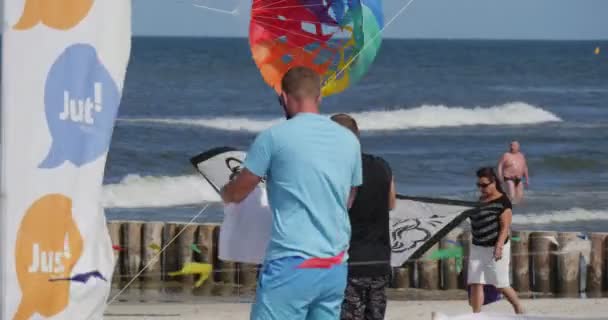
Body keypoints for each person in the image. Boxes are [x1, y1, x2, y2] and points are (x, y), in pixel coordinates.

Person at [220, 66, 362, 320]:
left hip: (292, 264)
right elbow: (349, 198)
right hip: (335, 265)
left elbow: (240, 191)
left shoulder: (274, 137)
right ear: (319, 98)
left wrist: (226, 192)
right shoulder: (349, 140)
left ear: (284, 98)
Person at [329, 114, 396, 320]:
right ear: (357, 135)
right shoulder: (381, 165)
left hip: (349, 260)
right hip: (379, 259)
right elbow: (391, 203)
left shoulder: (335, 169)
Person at [468, 167, 524, 314]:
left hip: (496, 247)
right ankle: (476, 315)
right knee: (475, 282)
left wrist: (498, 246)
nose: (481, 188)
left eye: (484, 185)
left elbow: (505, 227)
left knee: (500, 283)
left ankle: (519, 309)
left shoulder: (503, 202)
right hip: (477, 246)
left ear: (494, 183)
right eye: (479, 185)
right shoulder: (480, 200)